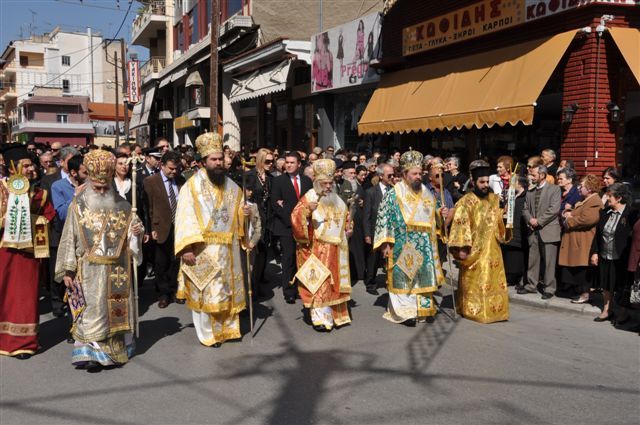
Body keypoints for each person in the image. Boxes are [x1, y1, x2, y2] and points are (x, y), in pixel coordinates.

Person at [54, 150, 143, 370]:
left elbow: (131, 241)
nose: (102, 191)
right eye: (97, 187)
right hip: (88, 269)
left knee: (112, 311)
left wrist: (137, 231)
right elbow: (68, 238)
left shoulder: (123, 206)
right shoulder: (78, 205)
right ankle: (91, 354)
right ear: (90, 182)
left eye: (105, 187)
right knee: (91, 311)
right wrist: (68, 270)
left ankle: (110, 353)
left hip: (117, 269)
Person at [174, 132, 248, 347]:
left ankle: (228, 329)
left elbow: (239, 218)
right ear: (203, 162)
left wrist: (247, 214)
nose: (218, 163)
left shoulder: (234, 187)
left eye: (220, 159)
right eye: (213, 160)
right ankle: (208, 334)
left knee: (226, 291)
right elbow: (185, 217)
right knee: (205, 292)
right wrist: (186, 247)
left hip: (228, 250)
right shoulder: (192, 186)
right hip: (202, 249)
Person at [373, 150, 446, 326]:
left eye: (420, 173)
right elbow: (384, 218)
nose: (418, 177)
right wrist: (386, 244)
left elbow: (432, 217)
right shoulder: (394, 194)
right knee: (404, 278)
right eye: (414, 174)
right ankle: (405, 313)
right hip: (402, 243)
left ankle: (422, 309)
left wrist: (440, 213)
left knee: (422, 278)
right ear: (405, 174)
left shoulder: (427, 193)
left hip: (424, 243)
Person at [0, 145, 56, 359]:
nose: (30, 169)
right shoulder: (1, 190)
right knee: (4, 295)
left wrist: (33, 221)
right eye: (25, 165)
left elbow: (49, 215)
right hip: (4, 252)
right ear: (12, 166)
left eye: (30, 165)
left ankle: (24, 341)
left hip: (29, 253)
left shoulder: (39, 193)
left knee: (25, 296)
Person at [291, 159, 353, 331]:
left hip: (336, 249)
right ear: (316, 182)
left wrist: (349, 227)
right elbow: (295, 219)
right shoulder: (309, 197)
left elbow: (345, 218)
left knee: (333, 285)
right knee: (319, 285)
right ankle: (320, 319)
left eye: (330, 183)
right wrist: (307, 211)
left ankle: (334, 315)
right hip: (316, 249)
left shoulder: (337, 199)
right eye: (324, 183)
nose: (327, 186)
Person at [449, 160, 511, 323]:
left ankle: (495, 312)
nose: (484, 185)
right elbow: (460, 226)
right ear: (474, 182)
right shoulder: (466, 201)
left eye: (486, 182)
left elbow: (498, 223)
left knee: (493, 281)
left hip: (493, 249)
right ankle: (473, 310)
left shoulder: (494, 199)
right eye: (481, 182)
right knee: (477, 280)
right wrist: (462, 247)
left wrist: (506, 217)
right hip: (474, 251)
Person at [590, 183, 638, 322]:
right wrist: (594, 252)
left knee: (622, 284)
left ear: (619, 198)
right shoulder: (605, 212)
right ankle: (607, 310)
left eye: (609, 195)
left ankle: (623, 312)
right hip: (605, 254)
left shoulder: (631, 214)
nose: (607, 198)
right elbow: (597, 235)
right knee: (605, 284)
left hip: (622, 256)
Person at [144, 151, 185, 308]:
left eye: (176, 169)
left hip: (178, 226)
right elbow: (149, 207)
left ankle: (175, 290)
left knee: (176, 261)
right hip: (160, 228)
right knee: (161, 263)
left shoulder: (181, 180)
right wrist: (151, 228)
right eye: (171, 169)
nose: (174, 172)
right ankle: (163, 293)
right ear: (162, 165)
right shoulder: (151, 181)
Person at [50, 154, 87, 326]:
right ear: (74, 172)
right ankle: (75, 324)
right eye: (85, 172)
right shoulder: (58, 186)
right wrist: (75, 197)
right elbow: (62, 214)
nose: (89, 176)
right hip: (71, 240)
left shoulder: (95, 186)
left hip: (90, 243)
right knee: (73, 285)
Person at [271, 151, 313, 304]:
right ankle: (289, 291)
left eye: (291, 162)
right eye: (286, 162)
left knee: (302, 258)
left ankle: (302, 288)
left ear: (299, 164)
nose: (288, 165)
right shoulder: (278, 181)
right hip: (286, 226)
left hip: (304, 226)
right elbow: (275, 204)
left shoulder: (307, 181)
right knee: (288, 258)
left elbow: (310, 200)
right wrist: (291, 220)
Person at [558, 174, 602, 302]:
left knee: (583, 270)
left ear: (589, 188)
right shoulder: (584, 201)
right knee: (578, 269)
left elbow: (586, 219)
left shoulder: (595, 202)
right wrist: (567, 213)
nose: (578, 188)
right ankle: (580, 292)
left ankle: (585, 295)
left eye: (581, 186)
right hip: (577, 240)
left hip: (584, 241)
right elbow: (573, 213)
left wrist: (568, 218)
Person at [520, 165, 561, 299]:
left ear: (542, 175)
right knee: (533, 259)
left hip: (548, 230)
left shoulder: (554, 189)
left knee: (549, 262)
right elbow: (525, 209)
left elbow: (554, 209)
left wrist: (539, 221)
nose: (531, 177)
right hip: (533, 230)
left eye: (534, 175)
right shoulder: (530, 192)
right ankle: (531, 285)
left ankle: (549, 288)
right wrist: (530, 219)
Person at [244, 148, 274, 297]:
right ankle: (250, 287)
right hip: (253, 220)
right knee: (252, 255)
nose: (271, 164)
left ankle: (257, 282)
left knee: (262, 253)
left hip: (267, 220)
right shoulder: (248, 176)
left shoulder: (270, 178)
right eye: (267, 161)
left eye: (272, 161)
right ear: (260, 160)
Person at [363, 163, 394, 295]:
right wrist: (367, 234)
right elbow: (366, 215)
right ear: (381, 176)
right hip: (375, 230)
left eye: (393, 175)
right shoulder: (371, 192)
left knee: (390, 258)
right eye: (389, 175)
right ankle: (370, 283)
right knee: (373, 258)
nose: (392, 177)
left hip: (390, 231)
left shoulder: (394, 191)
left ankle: (391, 281)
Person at [503, 175, 529, 287]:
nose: (511, 184)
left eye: (513, 182)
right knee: (510, 255)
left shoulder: (526, 195)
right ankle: (511, 277)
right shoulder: (512, 195)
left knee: (519, 255)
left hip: (520, 228)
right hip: (510, 227)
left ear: (520, 183)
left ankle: (520, 277)